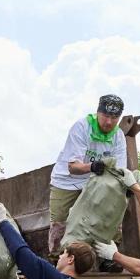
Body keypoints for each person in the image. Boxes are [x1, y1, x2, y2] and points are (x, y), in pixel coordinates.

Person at [48, 94, 128, 258]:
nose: (109, 122)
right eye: (105, 116)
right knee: (59, 221)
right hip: (67, 180)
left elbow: (120, 170)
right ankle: (56, 257)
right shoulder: (82, 127)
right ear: (98, 112)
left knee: (112, 212)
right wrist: (92, 166)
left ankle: (109, 257)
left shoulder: (118, 136)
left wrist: (127, 186)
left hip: (95, 181)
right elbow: (73, 167)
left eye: (114, 118)